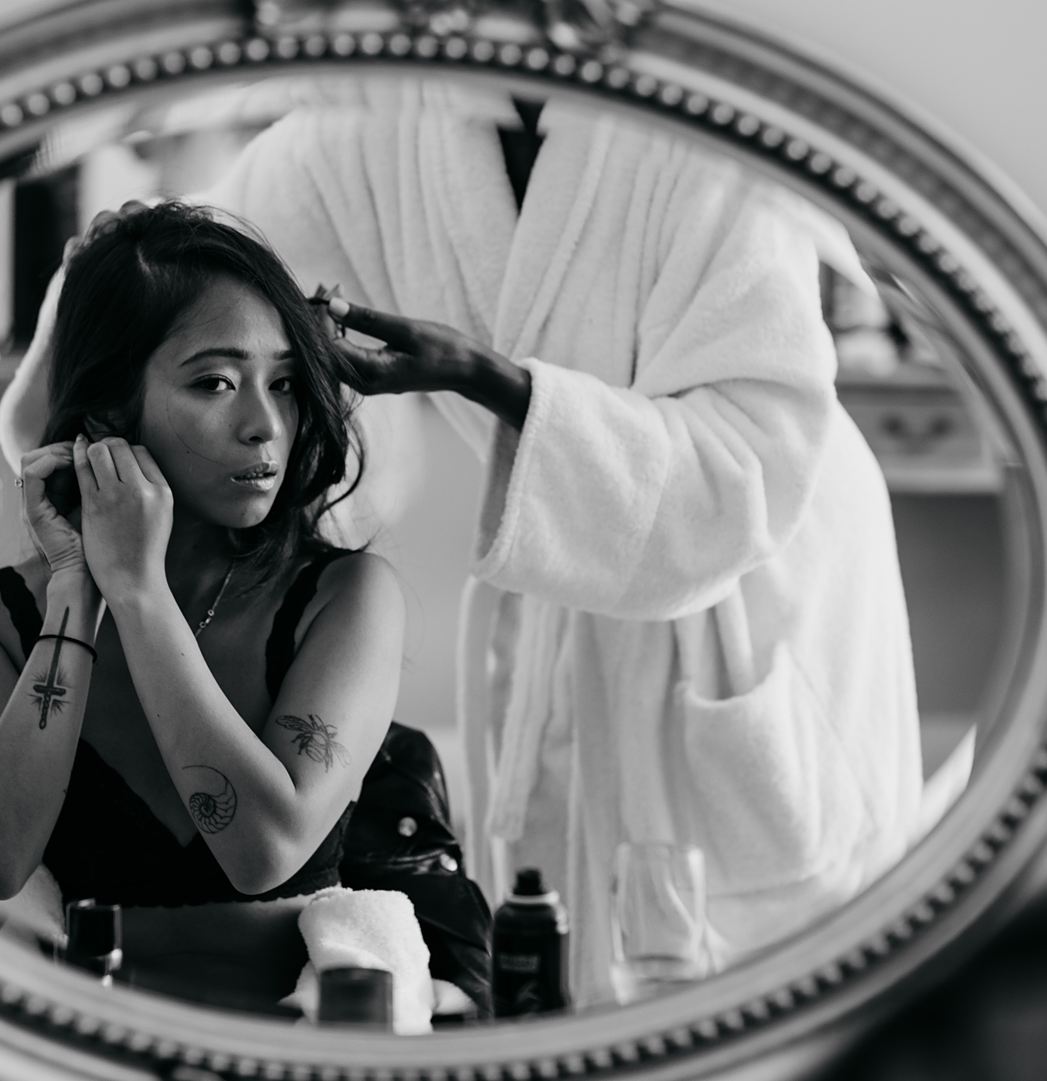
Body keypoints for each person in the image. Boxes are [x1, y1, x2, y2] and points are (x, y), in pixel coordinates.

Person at [205, 77, 924, 1008]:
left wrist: (488, 379)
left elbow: (746, 457)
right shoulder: (379, 119)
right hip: (562, 568)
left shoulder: (709, 129)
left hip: (748, 563)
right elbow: (196, 267)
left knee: (770, 985)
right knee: (559, 962)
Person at [0, 201, 405, 1010]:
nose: (266, 425)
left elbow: (264, 850)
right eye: (216, 381)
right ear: (112, 409)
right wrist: (78, 590)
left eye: (285, 382)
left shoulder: (348, 596)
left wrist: (141, 593)